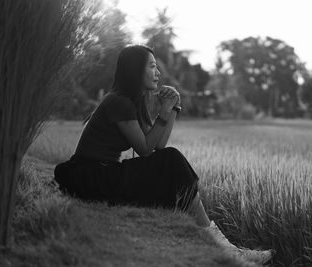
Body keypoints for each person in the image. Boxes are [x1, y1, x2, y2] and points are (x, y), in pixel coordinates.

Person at [53, 44, 275, 265]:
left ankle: (221, 244)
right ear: (134, 71)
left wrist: (173, 109)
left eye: (157, 67)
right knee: (172, 160)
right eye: (151, 66)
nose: (158, 72)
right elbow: (145, 149)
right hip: (93, 176)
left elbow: (158, 145)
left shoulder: (131, 102)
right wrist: (164, 111)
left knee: (171, 160)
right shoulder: (120, 103)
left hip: (101, 173)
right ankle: (224, 247)